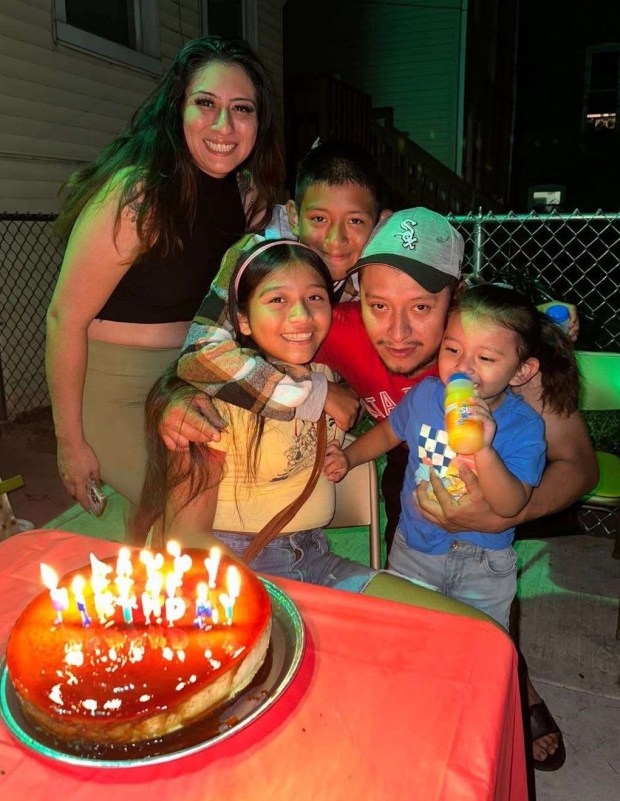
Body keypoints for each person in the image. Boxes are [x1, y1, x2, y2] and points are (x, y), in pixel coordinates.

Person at [134, 240, 475, 610]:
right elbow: (188, 538)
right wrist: (173, 394)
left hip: (316, 562)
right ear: (243, 319)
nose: (300, 316)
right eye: (277, 300)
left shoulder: (328, 373)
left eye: (315, 298)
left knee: (469, 628)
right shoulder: (210, 403)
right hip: (233, 570)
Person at [46, 35, 285, 519]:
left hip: (189, 379)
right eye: (206, 103)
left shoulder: (248, 197)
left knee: (251, 491)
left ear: (259, 122)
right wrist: (69, 444)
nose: (224, 125)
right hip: (112, 389)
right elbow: (62, 320)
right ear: (178, 108)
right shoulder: (139, 195)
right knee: (192, 513)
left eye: (242, 108)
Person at [323, 283, 576, 631]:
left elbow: (509, 505)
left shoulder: (524, 427)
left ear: (522, 371)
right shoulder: (426, 396)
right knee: (406, 632)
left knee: (480, 644)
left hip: (483, 563)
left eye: (485, 358)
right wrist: (349, 458)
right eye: (452, 349)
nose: (464, 367)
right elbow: (388, 431)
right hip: (414, 547)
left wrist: (483, 449)